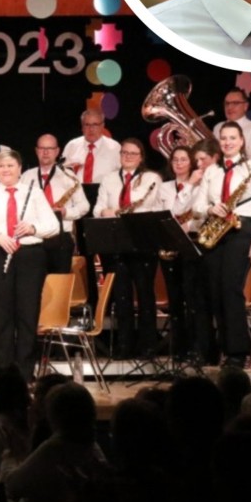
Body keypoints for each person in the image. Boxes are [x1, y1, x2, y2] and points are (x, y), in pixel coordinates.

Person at [0, 150, 59, 381]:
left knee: (28, 315)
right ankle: (4, 375)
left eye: (10, 165)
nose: (6, 169)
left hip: (30, 257)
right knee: (1, 317)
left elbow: (53, 226)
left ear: (20, 168)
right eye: (1, 166)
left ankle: (25, 374)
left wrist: (33, 228)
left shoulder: (34, 192)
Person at [192, 122, 251, 368]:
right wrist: (209, 208)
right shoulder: (211, 171)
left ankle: (238, 351)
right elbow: (197, 207)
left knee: (231, 289)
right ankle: (222, 348)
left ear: (241, 141)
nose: (228, 142)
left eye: (232, 138)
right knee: (214, 291)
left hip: (241, 229)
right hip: (216, 229)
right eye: (224, 138)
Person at [93, 139, 163, 357]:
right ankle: (124, 345)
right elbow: (98, 208)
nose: (128, 157)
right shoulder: (109, 179)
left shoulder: (152, 179)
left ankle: (148, 345)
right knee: (121, 296)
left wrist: (125, 213)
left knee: (145, 294)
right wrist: (105, 212)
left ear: (141, 157)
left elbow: (154, 207)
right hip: (116, 242)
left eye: (133, 153)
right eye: (125, 153)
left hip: (142, 242)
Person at [154, 145, 202, 358]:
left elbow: (197, 214)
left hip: (191, 243)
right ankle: (178, 348)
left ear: (191, 163)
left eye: (184, 159)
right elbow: (166, 214)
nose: (179, 163)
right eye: (175, 160)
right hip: (170, 244)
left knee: (192, 297)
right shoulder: (164, 187)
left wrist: (190, 185)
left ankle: (194, 345)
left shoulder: (200, 186)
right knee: (174, 299)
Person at [20, 134, 90, 275]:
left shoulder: (69, 176)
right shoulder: (26, 176)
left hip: (61, 237)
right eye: (42, 148)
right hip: (35, 237)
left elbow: (84, 206)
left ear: (57, 151)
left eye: (50, 148)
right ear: (36, 151)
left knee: (60, 282)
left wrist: (66, 212)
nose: (46, 152)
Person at [62, 109, 121, 207]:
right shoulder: (72, 146)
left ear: (102, 126)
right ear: (82, 126)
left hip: (104, 197)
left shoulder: (115, 147)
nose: (91, 129)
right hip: (76, 197)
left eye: (95, 124)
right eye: (87, 125)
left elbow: (121, 176)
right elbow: (62, 174)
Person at [223, 88, 251, 163]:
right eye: (227, 103)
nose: (229, 107)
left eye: (235, 103)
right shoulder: (217, 127)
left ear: (246, 106)